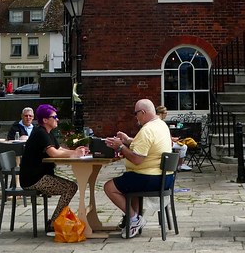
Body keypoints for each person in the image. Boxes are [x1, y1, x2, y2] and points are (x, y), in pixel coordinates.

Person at [103, 99, 173, 238]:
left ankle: (134, 219)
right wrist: (128, 140)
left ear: (143, 112)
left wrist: (120, 147)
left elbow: (137, 159)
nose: (136, 118)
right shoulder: (161, 125)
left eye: (136, 114)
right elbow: (146, 144)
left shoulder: (147, 130)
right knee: (131, 185)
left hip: (150, 178)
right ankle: (132, 218)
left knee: (109, 187)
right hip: (166, 178)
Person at [19, 103, 89, 232]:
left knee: (71, 186)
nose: (57, 119)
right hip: (33, 179)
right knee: (70, 187)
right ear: (45, 120)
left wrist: (76, 152)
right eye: (54, 116)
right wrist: (74, 154)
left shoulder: (48, 133)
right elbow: (54, 153)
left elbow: (59, 149)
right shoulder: (40, 133)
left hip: (41, 176)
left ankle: (54, 221)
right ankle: (53, 223)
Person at [156, 105, 191, 172]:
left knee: (178, 148)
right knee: (184, 147)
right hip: (167, 144)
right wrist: (172, 139)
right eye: (165, 113)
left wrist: (173, 138)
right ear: (161, 114)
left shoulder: (158, 122)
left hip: (166, 142)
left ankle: (177, 164)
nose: (166, 115)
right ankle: (180, 165)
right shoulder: (161, 123)